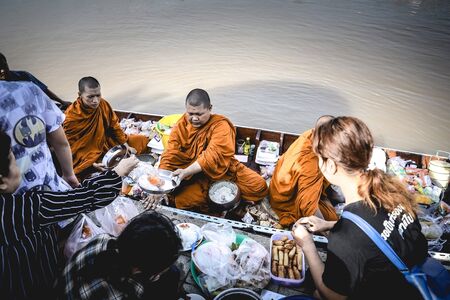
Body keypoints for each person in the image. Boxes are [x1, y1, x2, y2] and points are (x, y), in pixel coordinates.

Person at [291, 116, 427, 299]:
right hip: (410, 283)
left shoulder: (346, 240)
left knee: (313, 294)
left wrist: (307, 244)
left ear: (330, 165)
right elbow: (380, 228)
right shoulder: (392, 190)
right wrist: (329, 225)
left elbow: (333, 296)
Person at [0, 129, 139, 300]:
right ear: (2, 180)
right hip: (33, 285)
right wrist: (117, 173)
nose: (19, 166)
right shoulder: (25, 208)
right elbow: (84, 197)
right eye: (14, 160)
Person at [158, 88, 268, 213]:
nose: (194, 118)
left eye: (199, 114)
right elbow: (170, 154)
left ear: (210, 108)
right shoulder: (181, 125)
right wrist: (159, 185)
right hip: (194, 176)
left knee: (259, 186)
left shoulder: (220, 125)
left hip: (222, 169)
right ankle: (222, 201)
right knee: (185, 201)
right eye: (190, 114)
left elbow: (214, 154)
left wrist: (185, 172)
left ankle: (229, 197)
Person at [55, 211, 183, 300]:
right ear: (138, 269)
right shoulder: (129, 293)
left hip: (62, 291)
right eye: (159, 271)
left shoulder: (102, 239)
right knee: (173, 274)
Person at [63, 76, 149, 180]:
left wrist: (126, 146)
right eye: (90, 97)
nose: (95, 101)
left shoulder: (103, 104)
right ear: (80, 95)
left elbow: (115, 127)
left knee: (142, 140)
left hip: (107, 143)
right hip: (87, 155)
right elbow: (70, 147)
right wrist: (92, 164)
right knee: (84, 173)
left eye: (98, 95)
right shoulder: (71, 117)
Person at [0, 80, 79, 192]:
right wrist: (69, 175)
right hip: (50, 190)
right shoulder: (28, 90)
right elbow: (61, 143)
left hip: (12, 203)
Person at [269, 116, 338, 228]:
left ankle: (330, 195)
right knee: (333, 218)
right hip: (286, 201)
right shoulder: (311, 163)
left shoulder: (310, 134)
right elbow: (307, 207)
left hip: (282, 186)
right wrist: (327, 228)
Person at [0, 52, 71, 109]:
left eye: (4, 65)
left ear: (7, 63)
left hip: (36, 107)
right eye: (0, 67)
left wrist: (61, 101)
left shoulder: (23, 75)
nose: (3, 70)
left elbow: (44, 90)